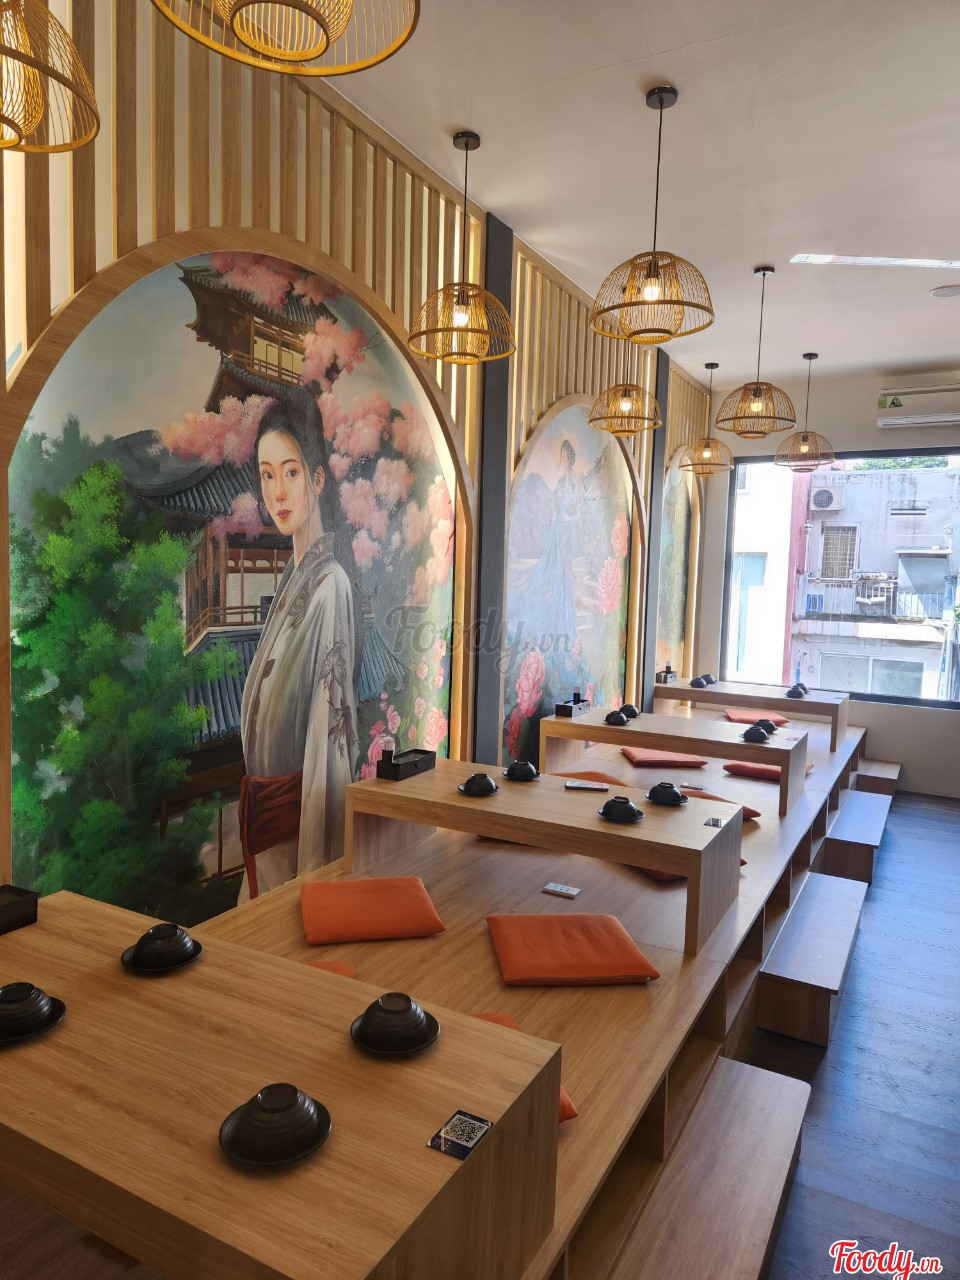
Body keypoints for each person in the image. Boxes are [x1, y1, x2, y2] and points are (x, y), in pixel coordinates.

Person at [238, 393, 358, 899]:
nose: (278, 492)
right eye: (267, 475)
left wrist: (313, 882)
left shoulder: (330, 587)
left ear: (317, 478)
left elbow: (328, 747)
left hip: (293, 852)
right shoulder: (294, 579)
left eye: (290, 472)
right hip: (265, 852)